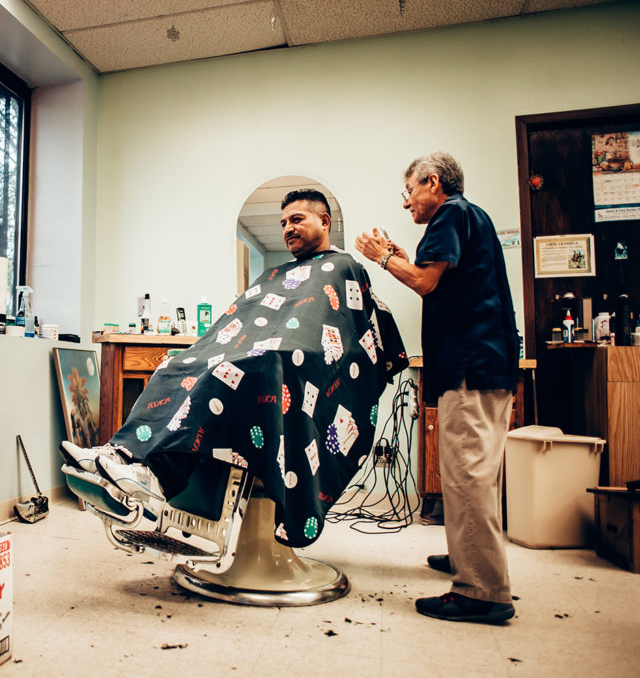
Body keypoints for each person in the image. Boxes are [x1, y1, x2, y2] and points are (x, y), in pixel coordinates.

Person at [63, 189, 408, 548]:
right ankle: (123, 456)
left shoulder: (345, 267)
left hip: (292, 368)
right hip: (259, 359)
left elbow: (344, 336)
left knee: (236, 371)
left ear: (324, 221)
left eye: (297, 219)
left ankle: (156, 477)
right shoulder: (274, 274)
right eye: (283, 223)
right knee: (174, 366)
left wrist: (280, 351)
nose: (288, 228)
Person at [354, 152, 518, 624]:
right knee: (476, 470)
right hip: (488, 360)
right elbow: (443, 280)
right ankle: (468, 554)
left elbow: (426, 283)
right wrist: (402, 259)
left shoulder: (450, 214)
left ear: (432, 181)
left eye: (409, 192)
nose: (406, 203)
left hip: (470, 363)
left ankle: (481, 591)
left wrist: (383, 258)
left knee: (466, 471)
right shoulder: (470, 216)